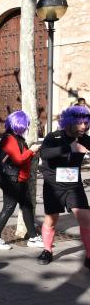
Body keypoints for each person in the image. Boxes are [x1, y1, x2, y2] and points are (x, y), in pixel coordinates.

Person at [37, 106, 90, 270]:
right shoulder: (54, 136)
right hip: (53, 186)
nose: (84, 127)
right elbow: (44, 154)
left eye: (86, 123)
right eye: (80, 123)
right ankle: (47, 250)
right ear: (70, 122)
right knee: (51, 220)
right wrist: (69, 148)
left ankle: (89, 255)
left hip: (74, 186)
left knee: (86, 218)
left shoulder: (84, 138)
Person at [0, 111, 43, 250]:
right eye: (25, 125)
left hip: (18, 179)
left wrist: (30, 153)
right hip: (12, 180)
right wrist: (31, 151)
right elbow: (18, 160)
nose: (26, 128)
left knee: (27, 207)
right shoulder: (10, 139)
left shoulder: (16, 138)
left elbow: (20, 158)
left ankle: (33, 237)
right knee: (9, 207)